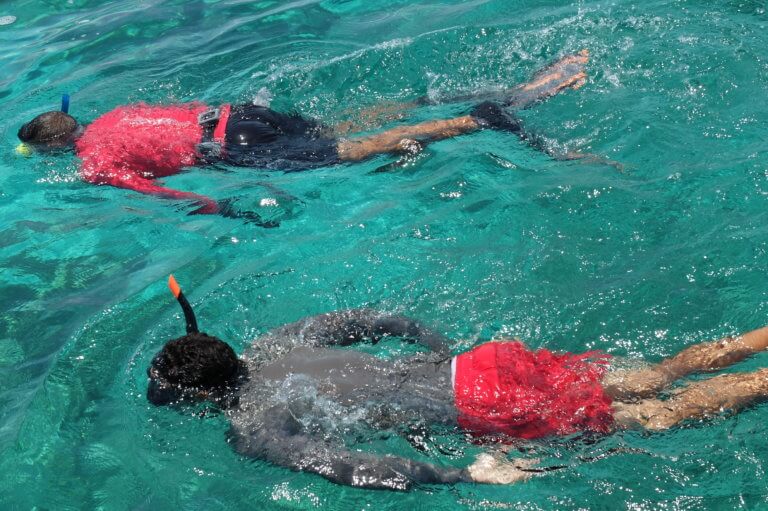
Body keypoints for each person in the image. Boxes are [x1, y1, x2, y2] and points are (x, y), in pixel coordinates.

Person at [147, 276, 768, 490]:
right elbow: (369, 319)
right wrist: (439, 347)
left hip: (485, 406)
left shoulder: (252, 428)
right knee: (651, 378)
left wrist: (461, 475)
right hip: (482, 365)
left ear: (203, 396)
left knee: (654, 417)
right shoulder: (273, 344)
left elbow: (355, 468)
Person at [17, 51, 593, 225]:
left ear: (54, 147)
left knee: (355, 150)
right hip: (239, 116)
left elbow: (171, 195)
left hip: (235, 151)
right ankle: (520, 89)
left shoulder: (92, 162)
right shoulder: (115, 114)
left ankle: (479, 118)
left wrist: (218, 208)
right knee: (352, 122)